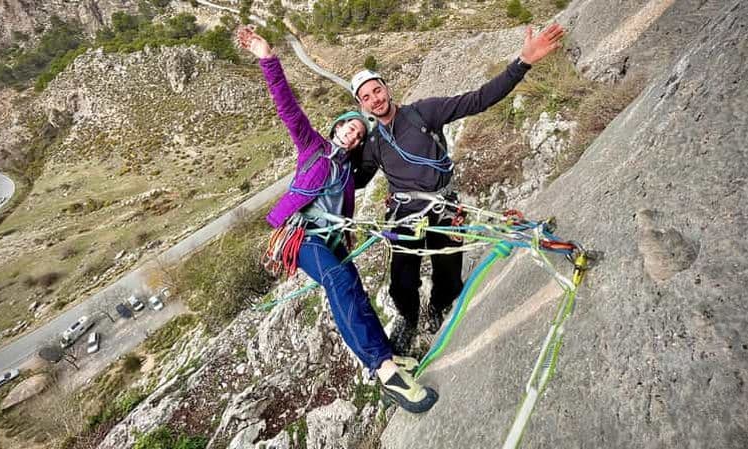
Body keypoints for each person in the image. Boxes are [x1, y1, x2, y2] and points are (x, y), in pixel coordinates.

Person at [235, 26, 437, 413]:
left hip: (329, 240)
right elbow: (288, 108)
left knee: (354, 290)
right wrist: (267, 58)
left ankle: (386, 356)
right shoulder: (312, 148)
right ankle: (385, 371)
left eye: (358, 134)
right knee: (339, 282)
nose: (353, 135)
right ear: (336, 128)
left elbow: (370, 184)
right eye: (349, 127)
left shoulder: (347, 175)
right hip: (301, 236)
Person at [351, 24, 566, 354]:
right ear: (362, 106)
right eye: (366, 97)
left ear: (387, 89)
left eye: (376, 91)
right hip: (404, 214)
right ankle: (409, 319)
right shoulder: (373, 143)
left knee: (449, 275)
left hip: (444, 206)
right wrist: (337, 153)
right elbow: (356, 181)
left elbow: (477, 100)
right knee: (402, 280)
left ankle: (439, 307)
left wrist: (522, 62)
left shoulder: (424, 112)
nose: (374, 99)